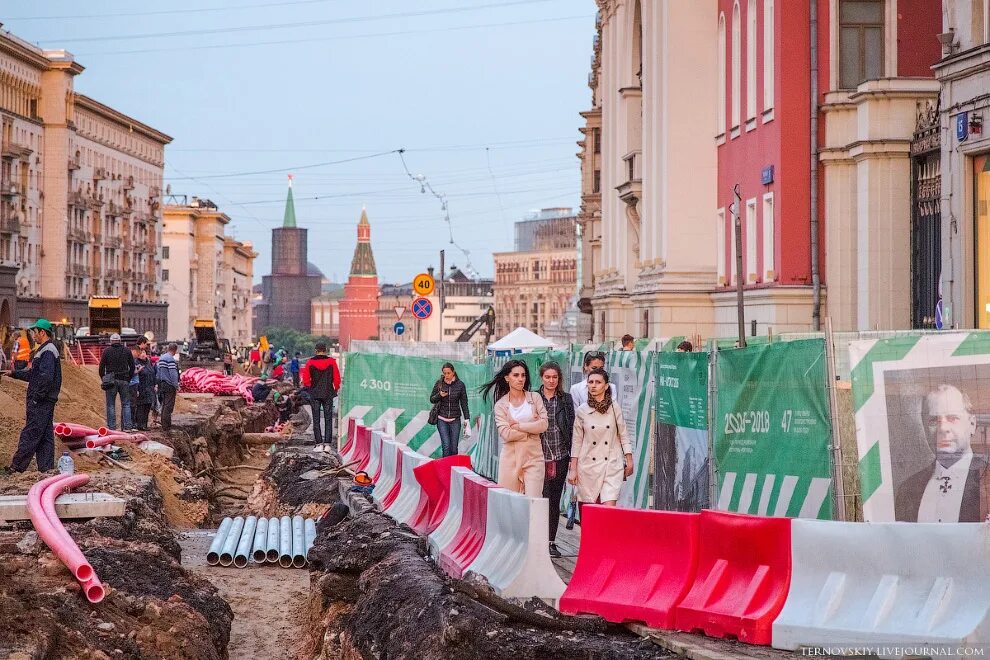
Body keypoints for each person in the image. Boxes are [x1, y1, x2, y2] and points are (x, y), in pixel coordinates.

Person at [896, 384, 990, 522]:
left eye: (952, 418)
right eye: (933, 421)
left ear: (972, 424)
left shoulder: (987, 479)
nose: (943, 428)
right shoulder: (907, 490)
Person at [1, 319, 62, 475]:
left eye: (34, 332)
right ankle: (46, 468)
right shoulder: (46, 349)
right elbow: (33, 375)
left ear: (42, 332)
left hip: (41, 400)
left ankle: (17, 467)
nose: (33, 335)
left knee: (31, 432)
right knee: (45, 435)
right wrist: (14, 373)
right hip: (46, 400)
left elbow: (46, 378)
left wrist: (37, 397)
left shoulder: (47, 350)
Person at [568, 368, 633, 508]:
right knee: (590, 512)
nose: (593, 385)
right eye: (590, 382)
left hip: (611, 463)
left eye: (598, 382)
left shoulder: (615, 408)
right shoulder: (582, 410)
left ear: (606, 386)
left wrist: (629, 459)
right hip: (588, 466)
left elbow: (623, 433)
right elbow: (577, 441)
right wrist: (573, 469)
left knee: (608, 510)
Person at [483, 359, 548, 497]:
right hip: (510, 457)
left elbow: (543, 425)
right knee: (509, 502)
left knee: (534, 500)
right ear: (507, 378)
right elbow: (506, 433)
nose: (520, 379)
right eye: (516, 375)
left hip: (534, 456)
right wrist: (530, 431)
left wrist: (518, 426)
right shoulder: (500, 405)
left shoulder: (535, 397)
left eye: (523, 375)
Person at [537, 361, 574, 558]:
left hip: (560, 455)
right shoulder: (534, 398)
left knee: (553, 500)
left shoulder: (565, 400)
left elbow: (571, 427)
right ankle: (536, 540)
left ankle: (550, 541)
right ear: (541, 378)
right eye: (547, 377)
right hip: (537, 457)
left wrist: (572, 457)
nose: (551, 381)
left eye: (555, 377)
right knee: (538, 499)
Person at [302, 343, 341, 447]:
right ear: (326, 350)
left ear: (316, 350)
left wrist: (311, 387)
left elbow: (305, 380)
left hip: (315, 394)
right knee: (328, 419)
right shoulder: (332, 362)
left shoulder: (310, 362)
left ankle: (319, 444)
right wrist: (335, 389)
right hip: (328, 393)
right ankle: (327, 444)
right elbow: (337, 379)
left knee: (316, 419)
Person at [430, 362, 470, 457]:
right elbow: (432, 399)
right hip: (441, 419)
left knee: (453, 447)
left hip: (455, 419)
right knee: (446, 446)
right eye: (444, 373)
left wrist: (467, 419)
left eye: (448, 373)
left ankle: (453, 469)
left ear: (453, 372)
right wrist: (440, 395)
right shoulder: (439, 384)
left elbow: (464, 403)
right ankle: (446, 469)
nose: (446, 375)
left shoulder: (460, 385)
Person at [99, 333, 135, 431]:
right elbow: (132, 366)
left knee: (111, 405)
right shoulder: (127, 351)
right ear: (120, 341)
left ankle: (112, 427)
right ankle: (127, 427)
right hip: (124, 380)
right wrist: (128, 378)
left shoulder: (106, 351)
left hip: (111, 382)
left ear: (111, 341)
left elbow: (101, 367)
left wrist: (104, 378)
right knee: (126, 404)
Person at [155, 343, 180, 432]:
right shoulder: (170, 359)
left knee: (164, 404)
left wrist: (157, 383)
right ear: (175, 350)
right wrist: (176, 385)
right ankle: (167, 426)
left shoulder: (161, 358)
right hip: (169, 385)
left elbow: (157, 373)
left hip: (162, 384)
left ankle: (163, 424)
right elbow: (173, 374)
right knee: (168, 406)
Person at [132, 344, 156, 431]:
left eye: (144, 352)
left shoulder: (148, 363)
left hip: (149, 388)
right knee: (141, 407)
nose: (143, 354)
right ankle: (139, 424)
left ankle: (145, 424)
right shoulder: (136, 362)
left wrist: (155, 384)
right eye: (141, 352)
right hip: (141, 387)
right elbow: (134, 375)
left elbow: (153, 374)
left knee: (148, 406)